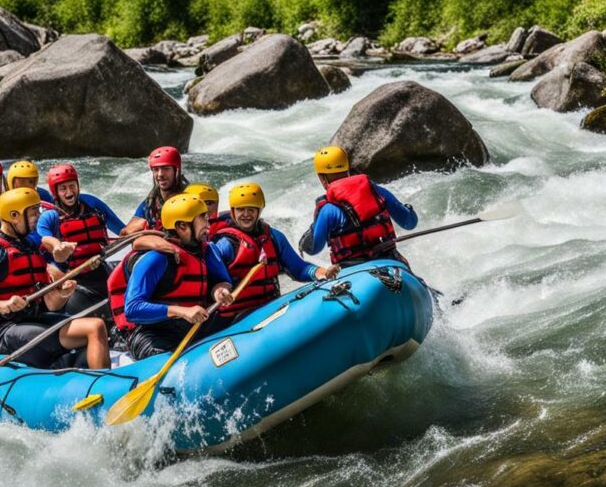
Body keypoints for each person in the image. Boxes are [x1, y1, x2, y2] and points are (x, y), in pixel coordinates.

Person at [0, 188, 111, 369]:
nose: (38, 218)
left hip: (33, 318)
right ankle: (103, 383)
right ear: (14, 215)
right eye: (33, 213)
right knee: (90, 331)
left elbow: (51, 305)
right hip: (3, 329)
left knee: (97, 326)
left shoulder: (29, 247)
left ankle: (97, 379)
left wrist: (63, 294)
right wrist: (1, 305)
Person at [108, 194, 235, 361]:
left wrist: (220, 291)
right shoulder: (156, 259)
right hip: (152, 333)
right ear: (183, 226)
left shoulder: (206, 250)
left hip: (192, 329)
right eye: (202, 217)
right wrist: (182, 311)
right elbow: (132, 309)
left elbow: (220, 282)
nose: (208, 222)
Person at [212, 183, 339, 319]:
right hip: (235, 318)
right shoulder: (223, 244)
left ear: (259, 211)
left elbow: (299, 269)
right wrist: (219, 292)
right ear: (233, 212)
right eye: (241, 210)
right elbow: (214, 281)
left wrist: (321, 272)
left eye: (251, 210)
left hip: (270, 309)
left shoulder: (274, 237)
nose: (246, 214)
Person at [300, 146, 418, 267]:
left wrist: (307, 238)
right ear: (347, 170)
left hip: (352, 270)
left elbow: (314, 249)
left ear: (322, 178)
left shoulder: (328, 210)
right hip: (391, 262)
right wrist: (408, 208)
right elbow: (409, 223)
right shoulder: (376, 191)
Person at [36, 163, 127, 314]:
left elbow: (122, 230)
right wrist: (58, 246)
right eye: (63, 188)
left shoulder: (92, 204)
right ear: (55, 192)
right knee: (80, 307)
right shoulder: (50, 216)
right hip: (73, 278)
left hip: (100, 268)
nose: (69, 192)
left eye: (72, 186)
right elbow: (44, 238)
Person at [122, 146, 189, 233]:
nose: (160, 174)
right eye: (156, 169)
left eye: (166, 168)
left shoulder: (189, 198)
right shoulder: (151, 201)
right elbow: (129, 229)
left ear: (176, 170)